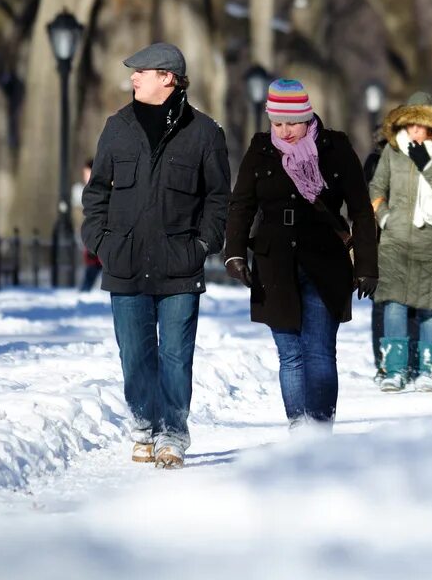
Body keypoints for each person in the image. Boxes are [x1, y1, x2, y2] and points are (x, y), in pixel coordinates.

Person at [81, 42, 230, 468]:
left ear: (168, 77)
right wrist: (101, 242)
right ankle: (144, 424)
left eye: (141, 71)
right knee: (135, 354)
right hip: (124, 263)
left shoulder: (204, 133)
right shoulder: (117, 127)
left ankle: (172, 434)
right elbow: (96, 195)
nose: (133, 77)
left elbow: (219, 198)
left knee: (176, 355)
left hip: (180, 264)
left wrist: (202, 245)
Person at [224, 79, 377, 427]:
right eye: (277, 123)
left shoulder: (335, 146)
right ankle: (299, 428)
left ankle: (320, 428)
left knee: (319, 351)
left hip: (324, 259)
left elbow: (361, 210)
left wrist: (367, 265)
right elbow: (241, 205)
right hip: (274, 261)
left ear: (306, 116)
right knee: (290, 353)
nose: (285, 131)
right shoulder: (261, 149)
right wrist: (234, 252)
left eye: (291, 122)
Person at [368, 96, 432, 391]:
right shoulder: (393, 152)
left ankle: (424, 371)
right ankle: (394, 370)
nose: (413, 130)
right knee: (394, 304)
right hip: (396, 239)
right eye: (409, 123)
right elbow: (375, 186)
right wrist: (385, 218)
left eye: (419, 124)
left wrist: (426, 164)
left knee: (430, 309)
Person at [77, 158, 104, 291]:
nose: (84, 176)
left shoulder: (99, 189)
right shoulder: (87, 189)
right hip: (93, 247)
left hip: (99, 245)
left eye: (86, 172)